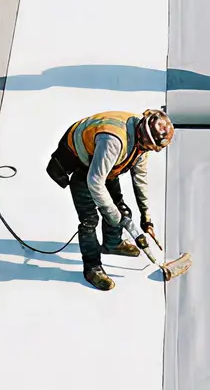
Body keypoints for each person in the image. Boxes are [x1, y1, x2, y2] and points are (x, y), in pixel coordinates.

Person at [45, 107, 174, 291]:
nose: (149, 151)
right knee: (90, 221)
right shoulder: (113, 141)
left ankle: (112, 244)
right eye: (149, 147)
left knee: (121, 209)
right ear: (143, 137)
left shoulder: (142, 141)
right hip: (82, 166)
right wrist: (112, 214)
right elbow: (95, 181)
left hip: (104, 165)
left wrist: (146, 216)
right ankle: (92, 268)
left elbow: (140, 178)